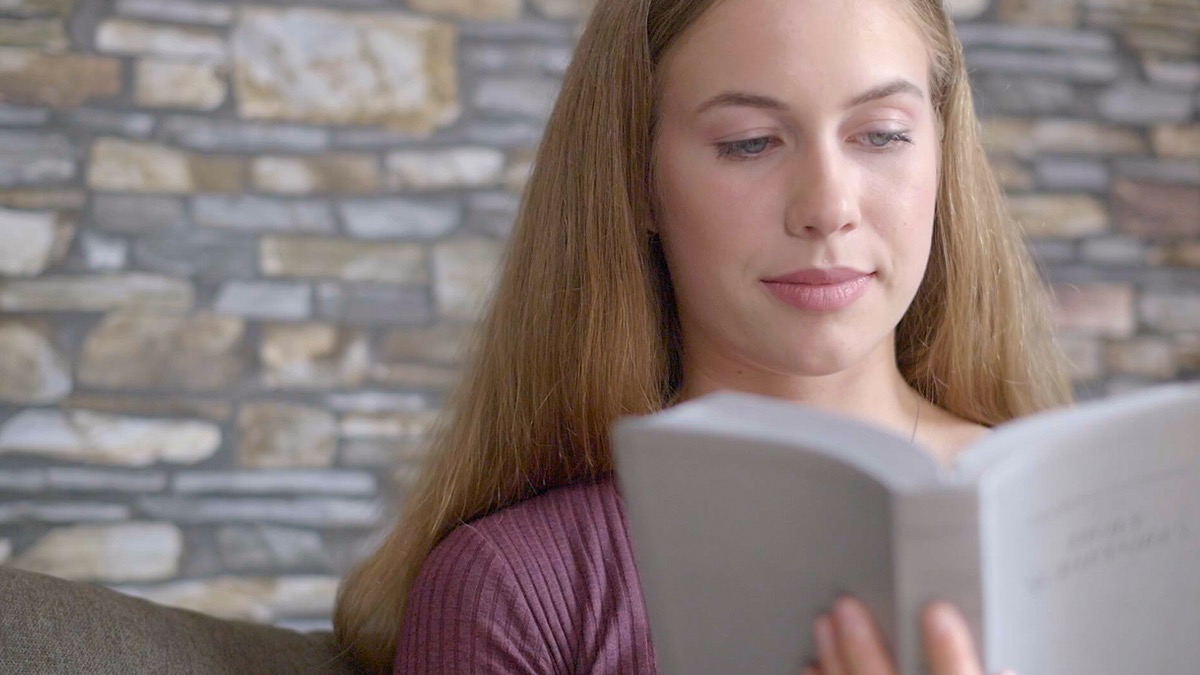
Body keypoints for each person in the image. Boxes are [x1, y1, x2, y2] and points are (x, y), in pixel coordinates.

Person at [334, 0, 1073, 672]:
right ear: (638, 180)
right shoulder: (515, 590)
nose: (828, 206)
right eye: (750, 143)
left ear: (942, 153)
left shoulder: (1078, 518)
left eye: (881, 134)